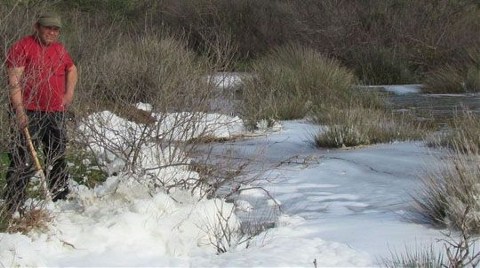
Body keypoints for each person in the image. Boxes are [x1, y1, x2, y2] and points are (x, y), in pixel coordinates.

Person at [3, 13, 78, 213]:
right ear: (37, 27)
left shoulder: (60, 49)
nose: (51, 33)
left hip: (55, 112)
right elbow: (14, 82)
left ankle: (59, 196)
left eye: (55, 30)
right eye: (48, 28)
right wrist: (19, 111)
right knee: (23, 158)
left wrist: (68, 93)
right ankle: (14, 203)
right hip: (29, 111)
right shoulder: (22, 46)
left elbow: (72, 69)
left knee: (57, 155)